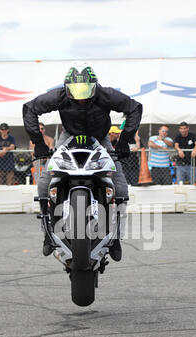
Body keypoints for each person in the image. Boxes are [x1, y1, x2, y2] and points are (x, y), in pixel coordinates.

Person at [22, 62, 142, 260]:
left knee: (121, 188)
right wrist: (39, 143)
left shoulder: (106, 95)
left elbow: (135, 108)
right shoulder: (58, 96)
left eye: (86, 94)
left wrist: (123, 142)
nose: (81, 100)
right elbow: (29, 109)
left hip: (100, 139)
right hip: (68, 137)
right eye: (76, 95)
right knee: (44, 184)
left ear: (94, 87)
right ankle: (47, 234)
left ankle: (116, 237)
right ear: (67, 89)